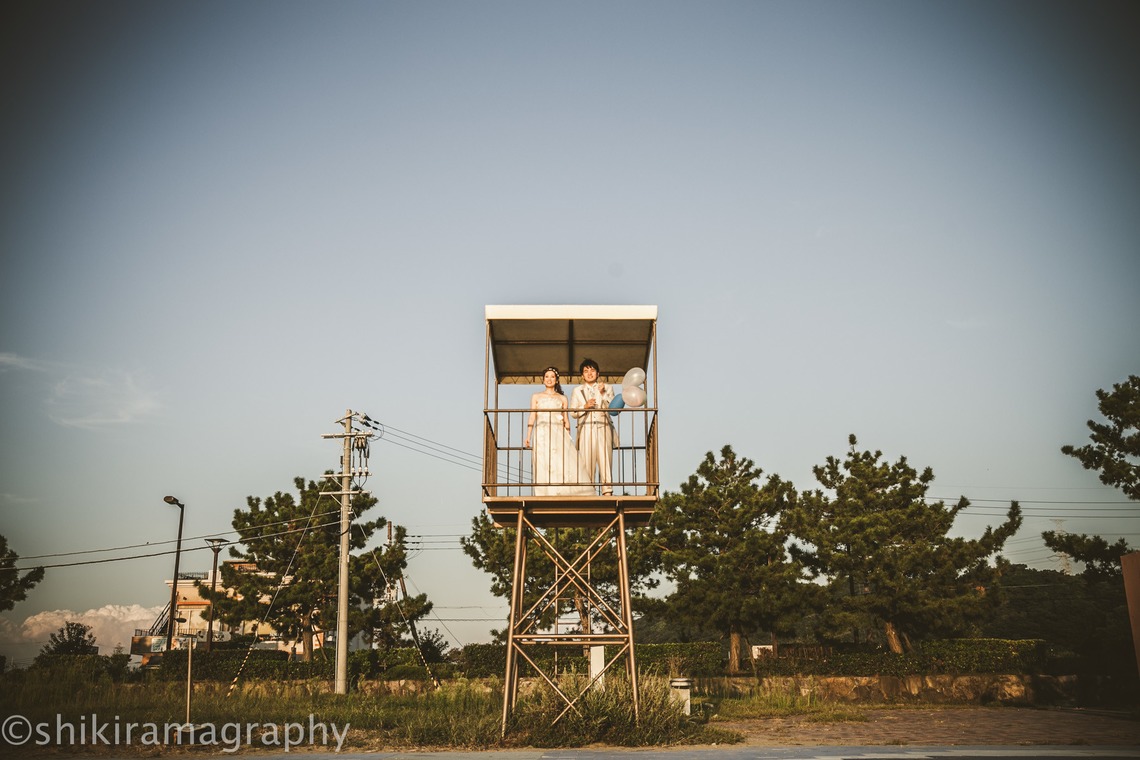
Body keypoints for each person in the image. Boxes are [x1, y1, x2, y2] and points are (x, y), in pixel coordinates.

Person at [524, 367, 593, 496]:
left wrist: (568, 435)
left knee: (560, 459)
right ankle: (544, 492)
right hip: (541, 432)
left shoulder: (562, 398)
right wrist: (528, 435)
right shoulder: (536, 396)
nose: (549, 379)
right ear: (543, 380)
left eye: (552, 377)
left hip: (557, 431)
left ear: (556, 380)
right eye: (547, 377)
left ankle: (561, 490)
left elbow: (566, 419)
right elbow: (532, 415)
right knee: (543, 460)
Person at [570, 358, 615, 496]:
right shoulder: (577, 391)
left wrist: (602, 394)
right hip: (586, 429)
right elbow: (572, 412)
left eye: (592, 370)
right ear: (582, 375)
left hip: (603, 426)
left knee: (605, 459)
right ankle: (589, 492)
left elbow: (613, 408)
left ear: (598, 373)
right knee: (586, 461)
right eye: (586, 371)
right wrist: (585, 407)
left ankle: (607, 491)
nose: (589, 373)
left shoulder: (607, 388)